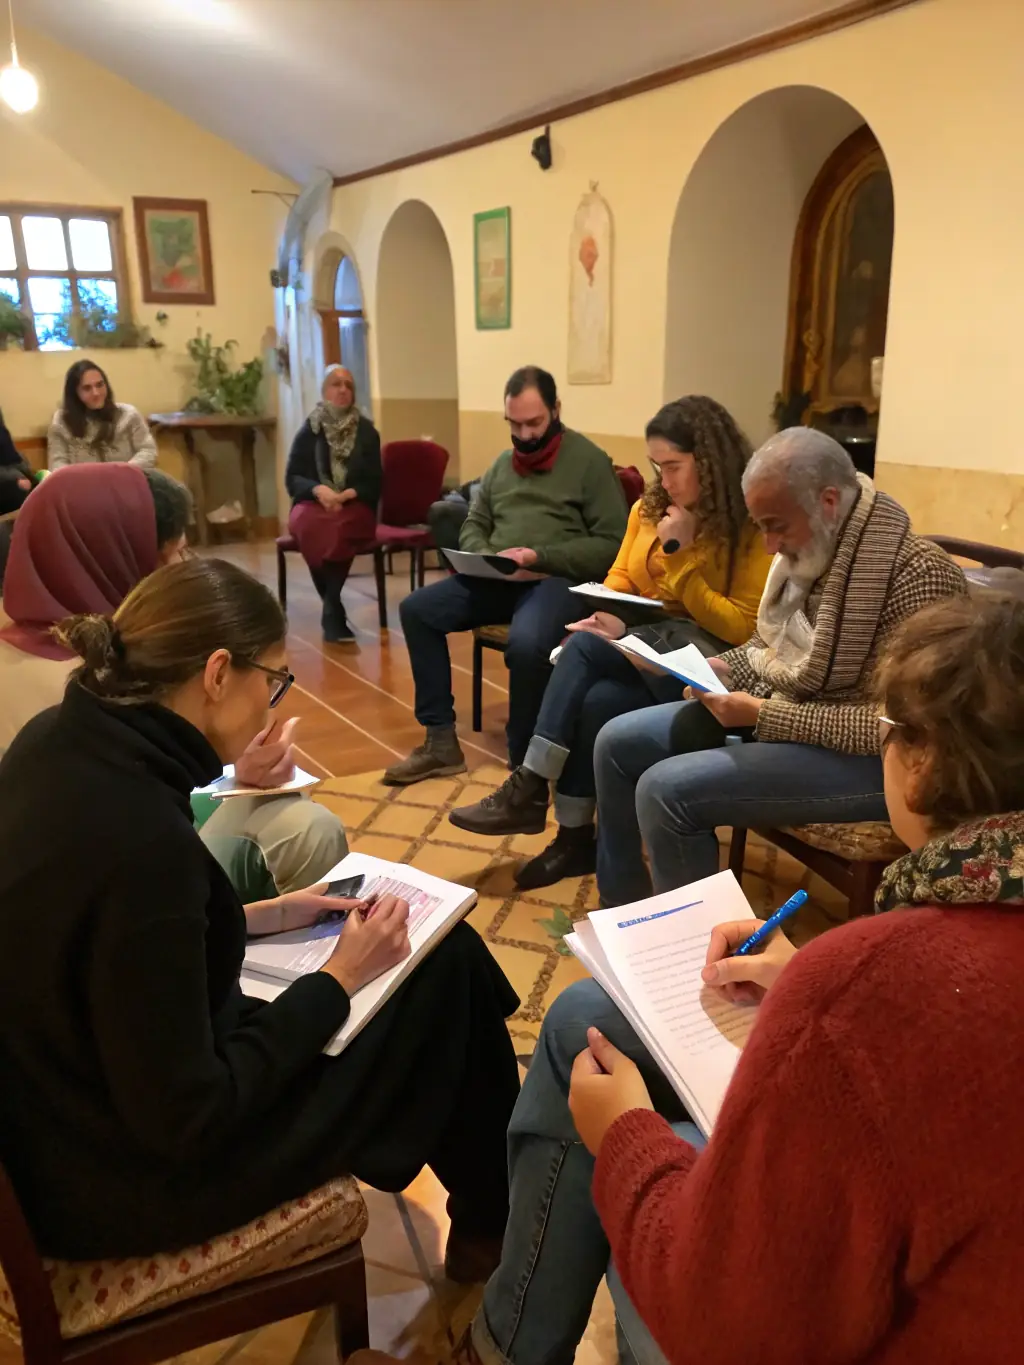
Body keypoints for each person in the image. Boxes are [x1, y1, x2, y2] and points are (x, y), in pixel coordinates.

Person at [454, 590, 1024, 1365]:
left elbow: (726, 1320)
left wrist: (624, 1134)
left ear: (921, 760)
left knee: (605, 1095)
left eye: (889, 731)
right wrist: (807, 986)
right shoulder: (898, 971)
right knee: (588, 1010)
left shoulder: (878, 980)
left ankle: (502, 1349)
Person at [0, 557, 520, 1273]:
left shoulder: (55, 740)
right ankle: (495, 1221)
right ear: (218, 674)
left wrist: (266, 914)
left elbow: (113, 956)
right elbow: (193, 1114)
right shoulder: (141, 840)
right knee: (447, 970)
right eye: (273, 680)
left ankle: (492, 1210)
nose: (273, 705)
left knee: (442, 971)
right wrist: (336, 978)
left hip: (63, 1119)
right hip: (125, 1181)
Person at [592, 427, 966, 907]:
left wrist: (764, 716)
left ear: (828, 501)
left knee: (668, 792)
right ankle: (625, 913)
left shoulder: (918, 575)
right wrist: (719, 669)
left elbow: (905, 731)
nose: (769, 546)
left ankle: (690, 966)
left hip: (880, 765)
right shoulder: (819, 550)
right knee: (616, 743)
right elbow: (775, 651)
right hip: (800, 718)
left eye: (777, 525)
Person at [448, 397, 773, 889]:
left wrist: (680, 559)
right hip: (645, 642)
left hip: (706, 668)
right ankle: (574, 839)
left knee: (580, 654)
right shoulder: (649, 508)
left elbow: (740, 628)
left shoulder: (747, 524)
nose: (663, 480)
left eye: (673, 466)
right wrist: (610, 612)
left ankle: (532, 786)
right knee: (596, 697)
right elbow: (620, 577)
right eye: (656, 466)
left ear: (710, 460)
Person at [0, 463, 347, 900]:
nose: (185, 569)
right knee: (305, 827)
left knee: (288, 813)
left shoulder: (89, 648)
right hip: (94, 891)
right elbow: (135, 812)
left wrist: (232, 773)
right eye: (178, 552)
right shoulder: (85, 683)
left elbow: (151, 774)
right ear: (120, 555)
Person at [384, 366, 627, 785]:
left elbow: (612, 543)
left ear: (555, 411)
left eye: (534, 423)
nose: (525, 434)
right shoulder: (502, 466)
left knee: (528, 643)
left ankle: (526, 763)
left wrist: (540, 555)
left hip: (554, 580)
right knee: (417, 610)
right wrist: (486, 557)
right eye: (514, 424)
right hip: (499, 579)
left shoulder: (588, 463)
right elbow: (474, 521)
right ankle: (440, 742)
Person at [285, 364, 382, 644]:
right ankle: (333, 605)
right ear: (325, 390)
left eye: (348, 385)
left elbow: (375, 480)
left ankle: (330, 608)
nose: (342, 390)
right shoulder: (310, 429)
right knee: (309, 525)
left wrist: (348, 494)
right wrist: (318, 490)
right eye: (336, 384)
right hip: (314, 503)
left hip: (354, 504)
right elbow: (292, 476)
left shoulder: (367, 432)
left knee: (340, 529)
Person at [47, 359, 157, 469]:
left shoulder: (128, 414)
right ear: (74, 393)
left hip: (127, 481)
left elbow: (148, 450)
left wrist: (124, 472)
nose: (96, 393)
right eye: (87, 388)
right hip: (84, 484)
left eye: (100, 385)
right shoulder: (61, 422)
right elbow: (57, 464)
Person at [0, 406, 36, 517]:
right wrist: (15, 478)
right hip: (7, 481)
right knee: (17, 491)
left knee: (47, 487)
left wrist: (27, 474)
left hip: (13, 471)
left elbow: (12, 454)